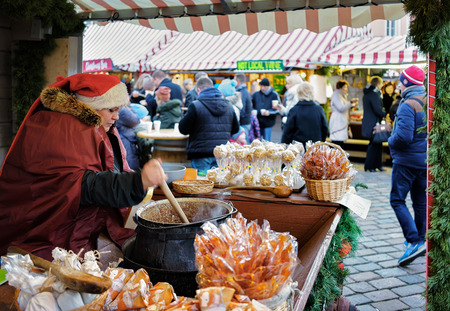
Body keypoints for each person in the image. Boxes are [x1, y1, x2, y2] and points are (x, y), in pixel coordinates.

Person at [0, 73, 167, 264]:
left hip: (77, 227)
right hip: (43, 236)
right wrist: (138, 182)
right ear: (91, 106)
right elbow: (83, 185)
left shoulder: (97, 126)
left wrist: (137, 181)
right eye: (112, 109)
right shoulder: (62, 128)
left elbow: (105, 174)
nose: (117, 116)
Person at [388, 65, 427, 266]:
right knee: (420, 202)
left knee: (397, 200)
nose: (398, 85)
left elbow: (403, 137)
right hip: (424, 162)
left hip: (406, 162)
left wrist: (390, 140)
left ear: (407, 83)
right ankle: (421, 239)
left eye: (400, 81)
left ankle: (413, 240)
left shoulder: (407, 105)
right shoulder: (429, 101)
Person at [179, 77, 239, 174]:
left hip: (201, 154)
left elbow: (183, 129)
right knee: (220, 185)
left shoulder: (195, 106)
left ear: (198, 90)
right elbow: (236, 129)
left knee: (202, 185)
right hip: (222, 153)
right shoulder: (228, 105)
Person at [281, 82, 328, 146]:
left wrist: (285, 146)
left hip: (298, 149)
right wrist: (321, 141)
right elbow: (325, 129)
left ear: (299, 93)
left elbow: (287, 133)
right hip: (315, 148)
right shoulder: (319, 109)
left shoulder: (294, 110)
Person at [362, 76, 385, 172]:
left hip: (368, 123)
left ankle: (376, 165)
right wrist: (385, 113)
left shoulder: (367, 94)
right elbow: (377, 110)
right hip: (374, 123)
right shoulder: (374, 94)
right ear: (378, 84)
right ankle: (371, 166)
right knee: (374, 145)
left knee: (377, 144)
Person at [329, 80, 358, 147]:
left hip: (341, 122)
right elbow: (341, 108)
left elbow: (344, 107)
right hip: (338, 123)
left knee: (340, 145)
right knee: (337, 145)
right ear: (340, 87)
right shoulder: (336, 95)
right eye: (345, 87)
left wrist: (352, 105)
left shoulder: (341, 95)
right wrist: (350, 102)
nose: (346, 89)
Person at [116, 103, 141, 170]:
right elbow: (136, 120)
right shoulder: (122, 109)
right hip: (125, 139)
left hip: (121, 137)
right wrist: (129, 106)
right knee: (130, 167)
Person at [235, 73, 252, 143]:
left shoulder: (242, 92)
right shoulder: (244, 90)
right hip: (245, 122)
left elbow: (242, 109)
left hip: (243, 123)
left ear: (238, 81)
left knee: (244, 145)